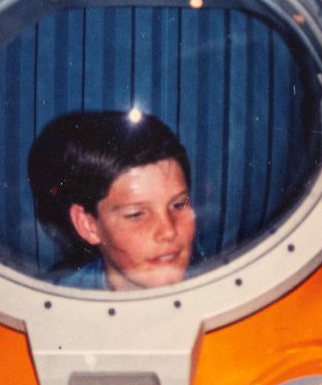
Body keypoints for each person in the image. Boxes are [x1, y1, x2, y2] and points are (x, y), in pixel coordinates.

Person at [28, 110, 196, 291]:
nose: (168, 231)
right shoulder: (55, 300)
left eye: (178, 204)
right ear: (88, 225)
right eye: (136, 214)